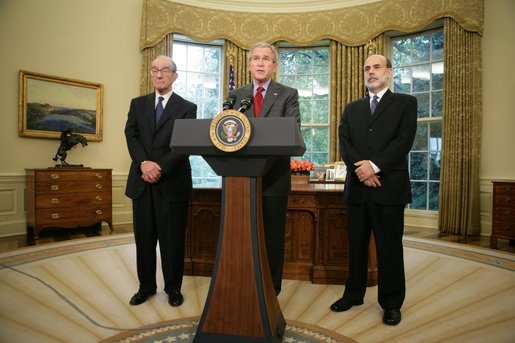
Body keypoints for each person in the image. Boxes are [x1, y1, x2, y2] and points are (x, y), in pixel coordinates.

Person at [331, 54, 417, 325]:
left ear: (389, 72)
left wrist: (375, 166)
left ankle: (391, 303)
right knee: (355, 246)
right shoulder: (351, 108)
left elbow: (404, 141)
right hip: (358, 187)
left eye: (377, 67)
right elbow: (345, 143)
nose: (371, 72)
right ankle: (354, 293)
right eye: (367, 68)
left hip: (389, 187)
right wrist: (362, 171)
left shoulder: (405, 103)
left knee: (389, 248)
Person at [125, 55, 197, 307]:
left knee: (172, 240)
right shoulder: (138, 104)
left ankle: (173, 289)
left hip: (172, 183)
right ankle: (145, 287)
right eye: (155, 70)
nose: (159, 75)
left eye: (165, 70)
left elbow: (184, 144)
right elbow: (131, 135)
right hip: (142, 182)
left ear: (174, 76)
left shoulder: (188, 107)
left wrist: (161, 167)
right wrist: (144, 163)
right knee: (144, 239)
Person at [229, 42, 301, 295]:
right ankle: (244, 284)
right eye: (256, 59)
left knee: (271, 237)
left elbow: (291, 129)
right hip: (241, 178)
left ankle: (271, 290)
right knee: (242, 236)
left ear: (274, 65)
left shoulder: (288, 94)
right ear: (249, 65)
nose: (260, 63)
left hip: (274, 177)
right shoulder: (236, 96)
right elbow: (225, 132)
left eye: (265, 59)